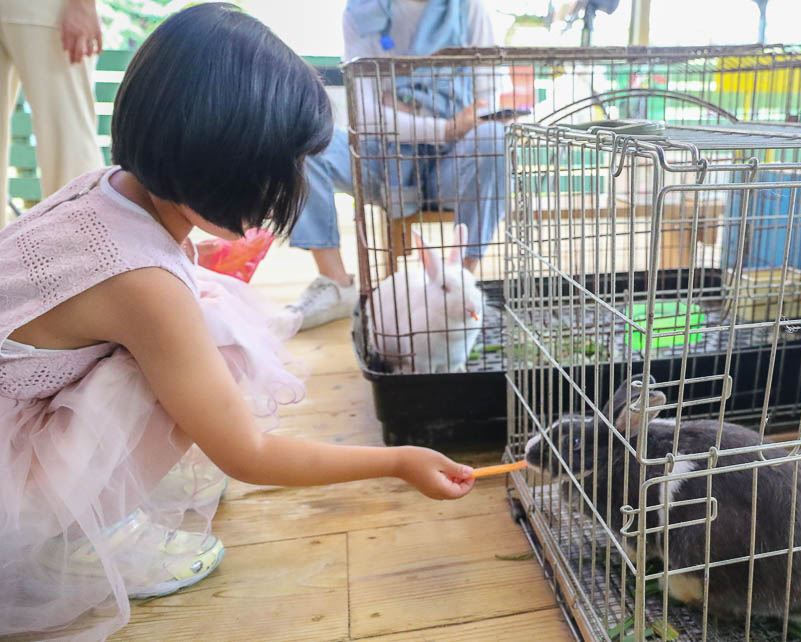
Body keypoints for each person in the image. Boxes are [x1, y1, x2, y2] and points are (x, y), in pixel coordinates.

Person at [0, 5, 475, 640]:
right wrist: (395, 463)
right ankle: (78, 532)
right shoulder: (142, 283)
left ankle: (90, 504)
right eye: (279, 170)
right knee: (217, 347)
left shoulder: (104, 189)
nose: (292, 188)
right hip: (12, 483)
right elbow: (247, 453)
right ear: (217, 162)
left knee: (206, 319)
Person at [287, 0, 509, 330]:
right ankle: (336, 283)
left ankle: (458, 281)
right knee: (301, 138)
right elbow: (364, 115)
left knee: (494, 136)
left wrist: (402, 110)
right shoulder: (359, 13)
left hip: (453, 162)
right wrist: (444, 126)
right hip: (383, 160)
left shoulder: (470, 8)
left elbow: (487, 101)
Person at [0, 0, 105, 227]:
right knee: (68, 140)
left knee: (68, 142)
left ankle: (84, 248)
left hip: (45, 10)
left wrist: (82, 5)